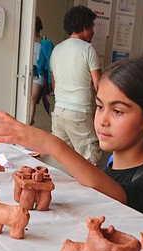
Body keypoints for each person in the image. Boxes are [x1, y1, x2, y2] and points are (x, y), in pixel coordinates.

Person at [0, 56, 143, 234]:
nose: (102, 120)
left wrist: (53, 145)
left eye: (118, 111)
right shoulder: (109, 168)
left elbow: (121, 197)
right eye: (100, 106)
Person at [49, 5, 102, 165]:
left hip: (58, 112)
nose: (93, 31)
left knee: (60, 159)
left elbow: (54, 85)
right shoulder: (88, 49)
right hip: (79, 112)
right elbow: (99, 85)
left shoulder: (57, 50)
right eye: (92, 27)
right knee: (89, 161)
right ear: (85, 27)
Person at [30, 17, 44, 126]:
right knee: (29, 97)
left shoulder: (43, 41)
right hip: (29, 71)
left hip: (38, 73)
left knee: (32, 97)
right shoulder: (26, 37)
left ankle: (29, 120)